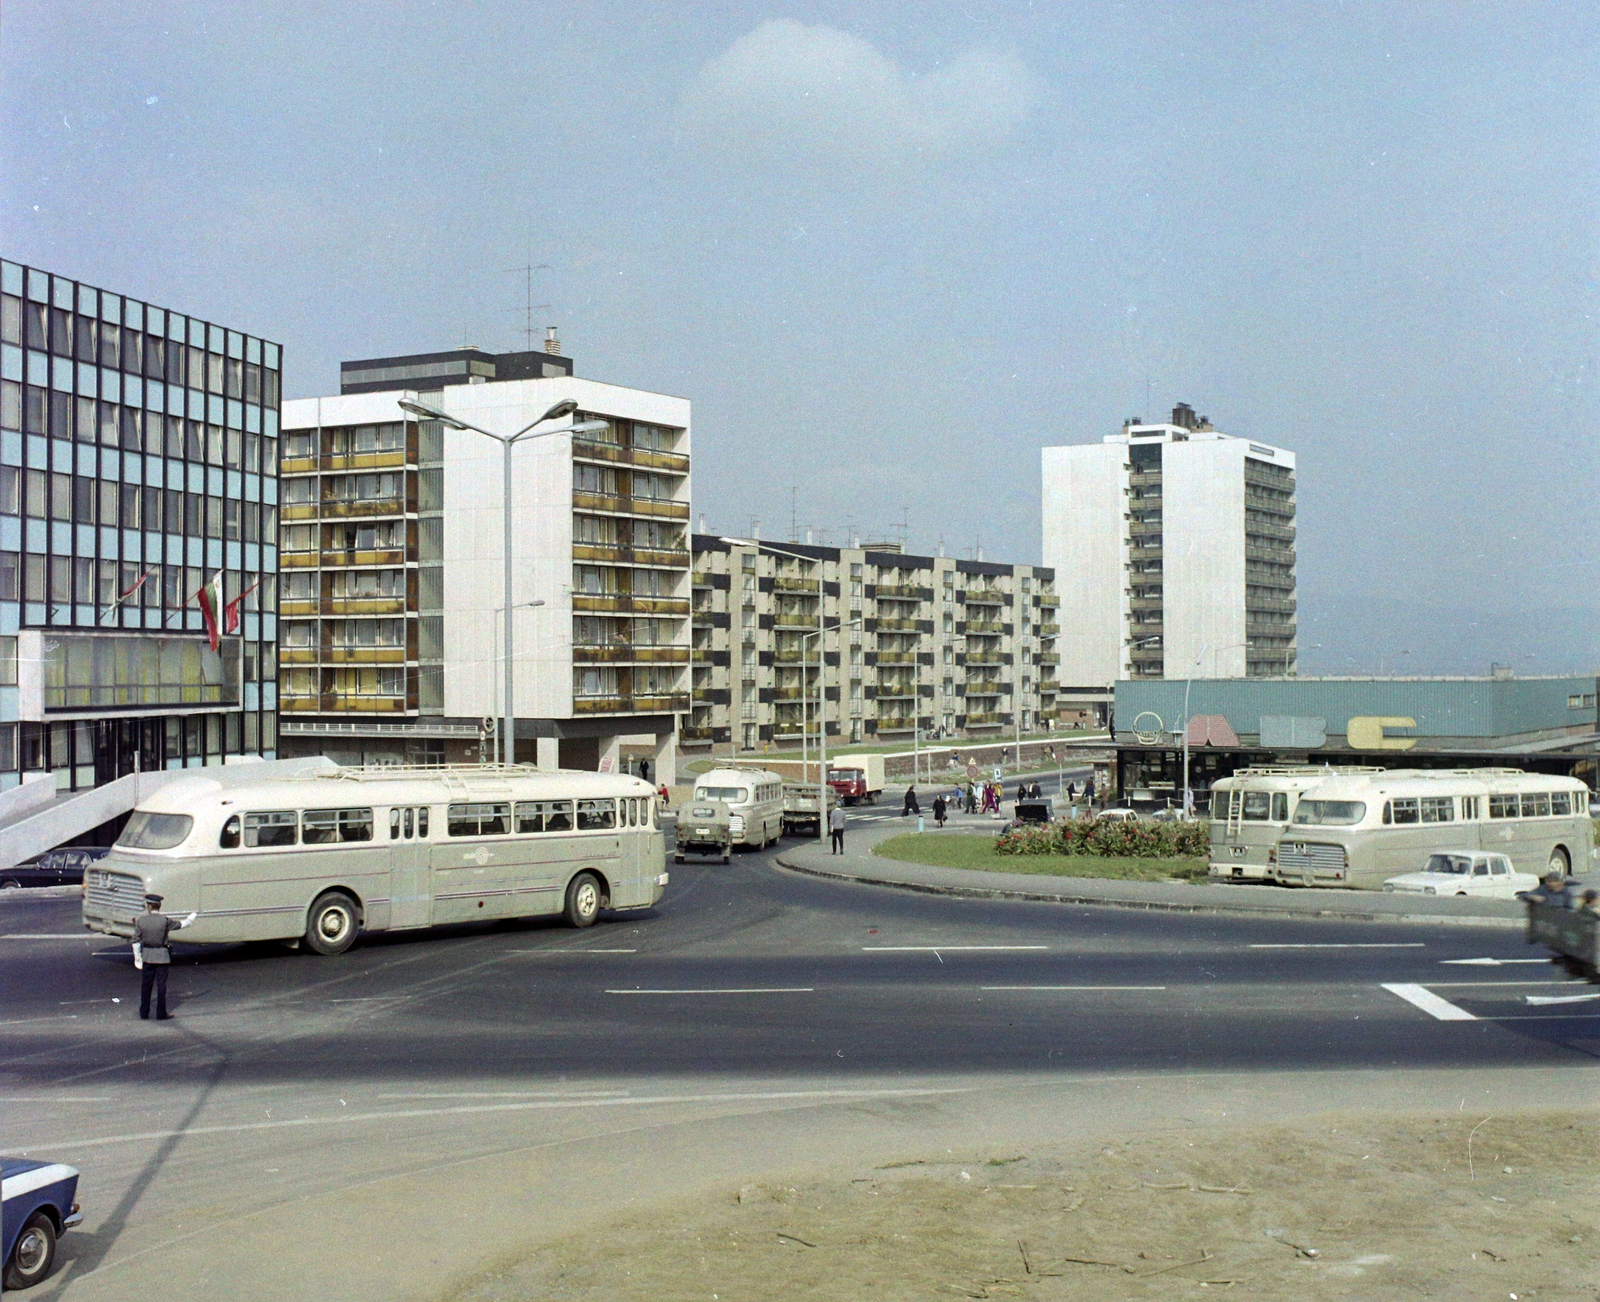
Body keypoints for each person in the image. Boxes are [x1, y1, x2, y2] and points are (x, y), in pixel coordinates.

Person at [133, 894, 196, 1021]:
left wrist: (138, 958)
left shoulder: (141, 920)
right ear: (159, 906)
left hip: (147, 955)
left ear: (149, 906)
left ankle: (144, 1012)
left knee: (146, 985)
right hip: (162, 956)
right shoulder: (165, 921)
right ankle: (161, 1013)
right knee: (161, 985)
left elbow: (136, 941)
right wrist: (191, 917)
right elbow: (182, 925)